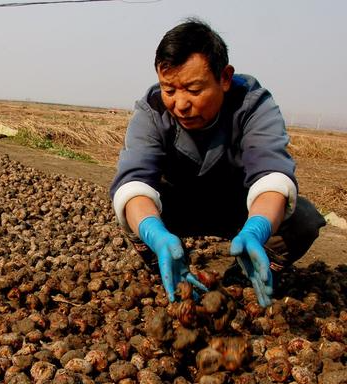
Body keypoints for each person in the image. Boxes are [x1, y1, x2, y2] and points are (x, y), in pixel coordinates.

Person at [110, 18, 326, 307]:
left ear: (224, 78)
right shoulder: (152, 109)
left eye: (194, 90)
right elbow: (134, 181)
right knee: (133, 208)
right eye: (170, 89)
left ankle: (244, 276)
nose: (181, 104)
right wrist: (156, 233)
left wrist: (257, 228)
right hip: (179, 207)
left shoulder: (253, 105)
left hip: (239, 208)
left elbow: (272, 175)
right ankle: (168, 266)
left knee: (303, 220)